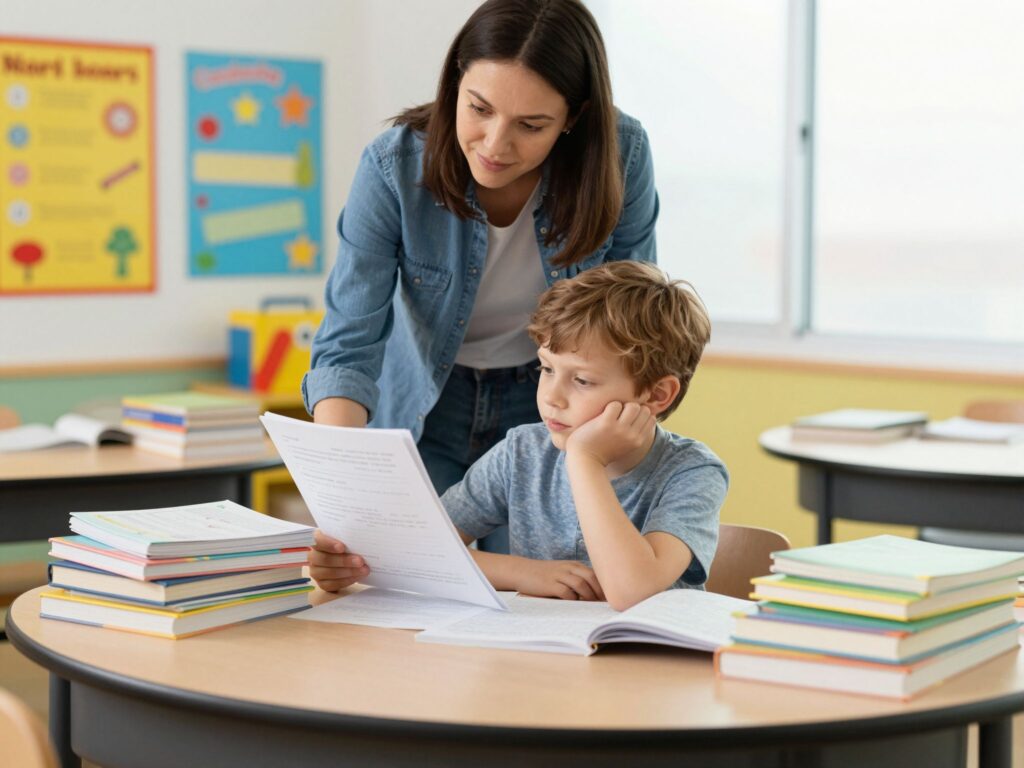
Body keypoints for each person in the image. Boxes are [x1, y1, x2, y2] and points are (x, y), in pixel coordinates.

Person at [302, 0, 659, 552]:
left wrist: (608, 456)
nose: (495, 145)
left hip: (554, 409)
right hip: (425, 405)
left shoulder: (622, 155)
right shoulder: (394, 165)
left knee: (551, 595)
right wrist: (342, 486)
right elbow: (349, 345)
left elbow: (635, 330)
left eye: (531, 125)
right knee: (411, 575)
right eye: (479, 109)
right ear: (454, 85)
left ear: (575, 118)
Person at [311, 261, 728, 611]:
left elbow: (631, 592)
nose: (552, 397)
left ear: (657, 395)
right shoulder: (523, 452)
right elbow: (422, 552)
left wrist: (585, 460)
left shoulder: (691, 473)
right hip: (541, 670)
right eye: (546, 369)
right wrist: (522, 572)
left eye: (581, 380)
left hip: (649, 682)